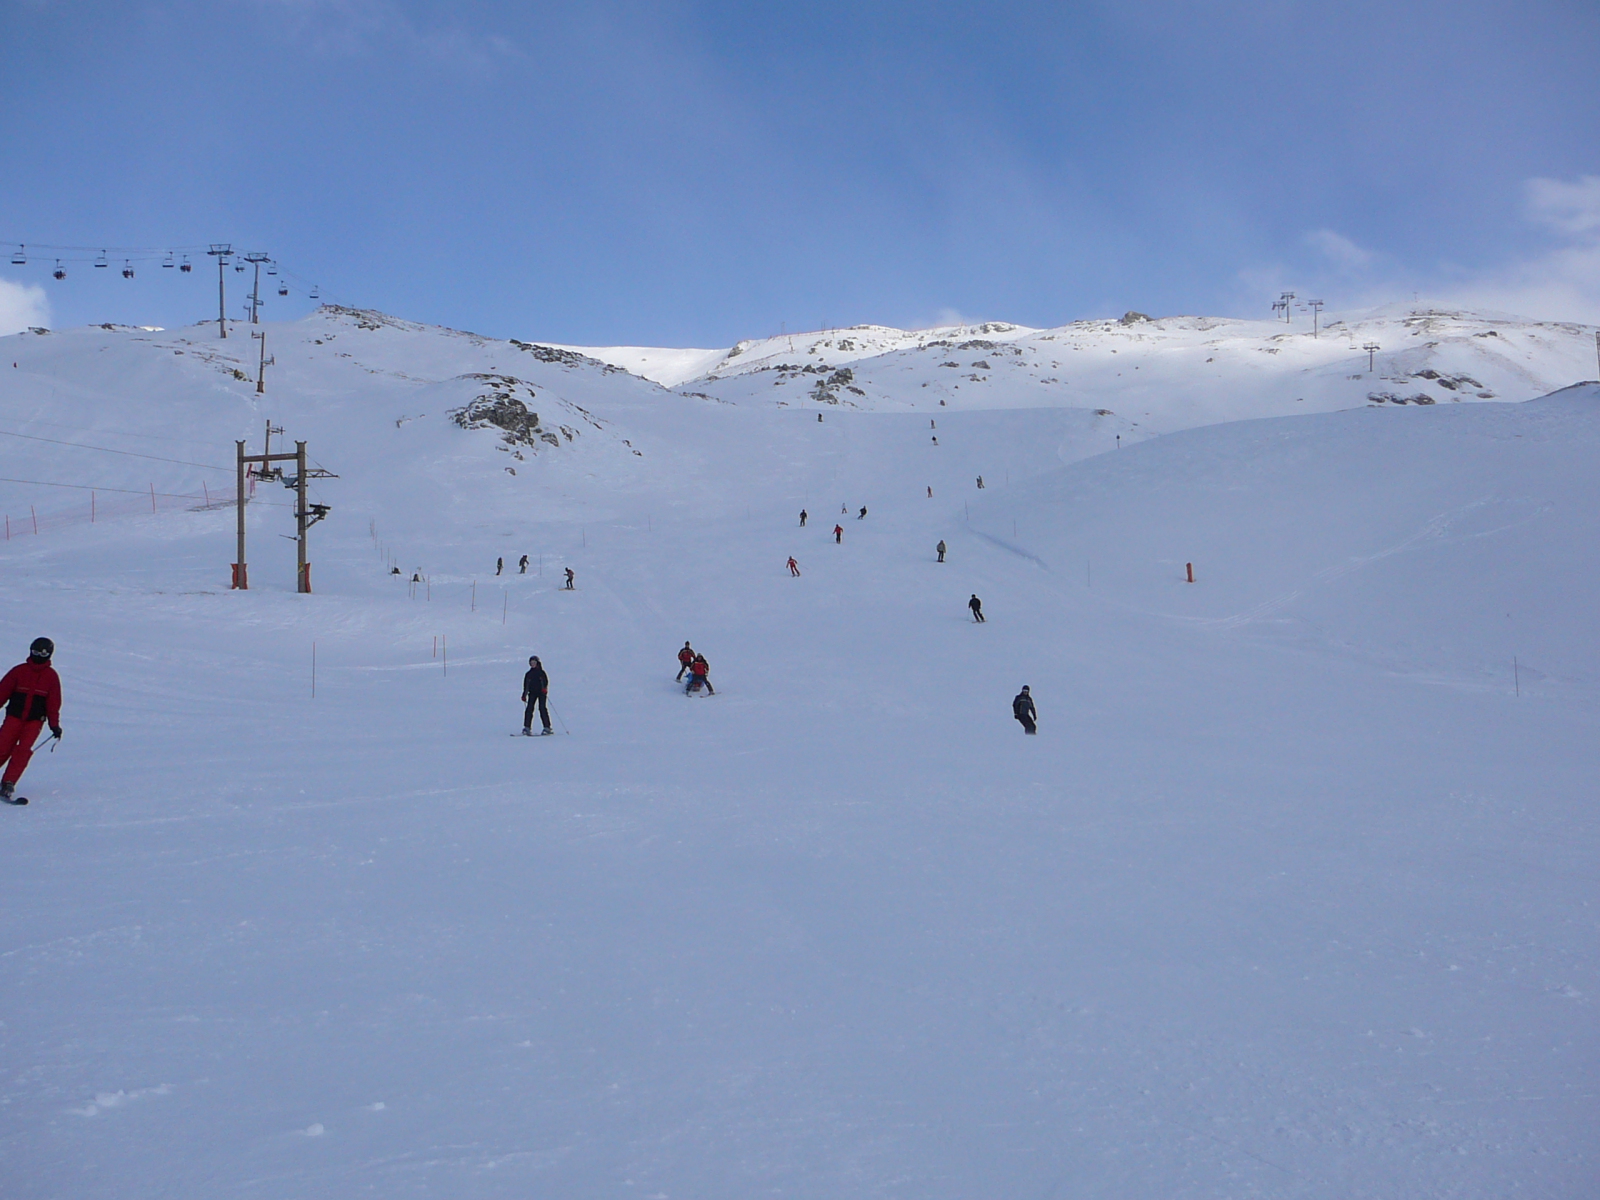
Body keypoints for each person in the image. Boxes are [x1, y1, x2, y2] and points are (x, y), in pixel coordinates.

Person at [0, 637, 62, 803]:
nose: (38, 656)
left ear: (49, 654)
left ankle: (8, 783)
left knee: (23, 751)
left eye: (42, 653)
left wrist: (54, 725)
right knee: (2, 746)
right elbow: (2, 691)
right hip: (14, 717)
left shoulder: (51, 677)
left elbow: (53, 703)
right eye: (35, 652)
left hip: (34, 722)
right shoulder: (19, 671)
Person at [521, 655, 551, 735]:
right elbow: (526, 685)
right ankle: (527, 727)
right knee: (529, 709)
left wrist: (544, 688)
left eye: (534, 662)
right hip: (532, 693)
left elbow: (545, 682)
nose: (533, 664)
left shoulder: (541, 673)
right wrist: (524, 695)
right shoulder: (528, 674)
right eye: (531, 663)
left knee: (542, 709)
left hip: (541, 693)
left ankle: (547, 727)